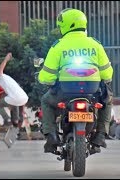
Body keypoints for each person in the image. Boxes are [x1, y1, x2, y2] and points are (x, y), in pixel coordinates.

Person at [38, 8, 113, 153]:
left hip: (65, 92)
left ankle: (52, 136)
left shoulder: (58, 46)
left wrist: (43, 79)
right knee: (107, 100)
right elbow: (107, 73)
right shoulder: (95, 45)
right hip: (92, 92)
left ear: (65, 25)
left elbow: (47, 76)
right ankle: (101, 135)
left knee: (46, 101)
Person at [0, 53, 29, 128]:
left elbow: (1, 69)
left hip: (16, 98)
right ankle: (16, 122)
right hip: (24, 98)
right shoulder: (8, 79)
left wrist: (6, 59)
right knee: (13, 103)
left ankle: (7, 119)